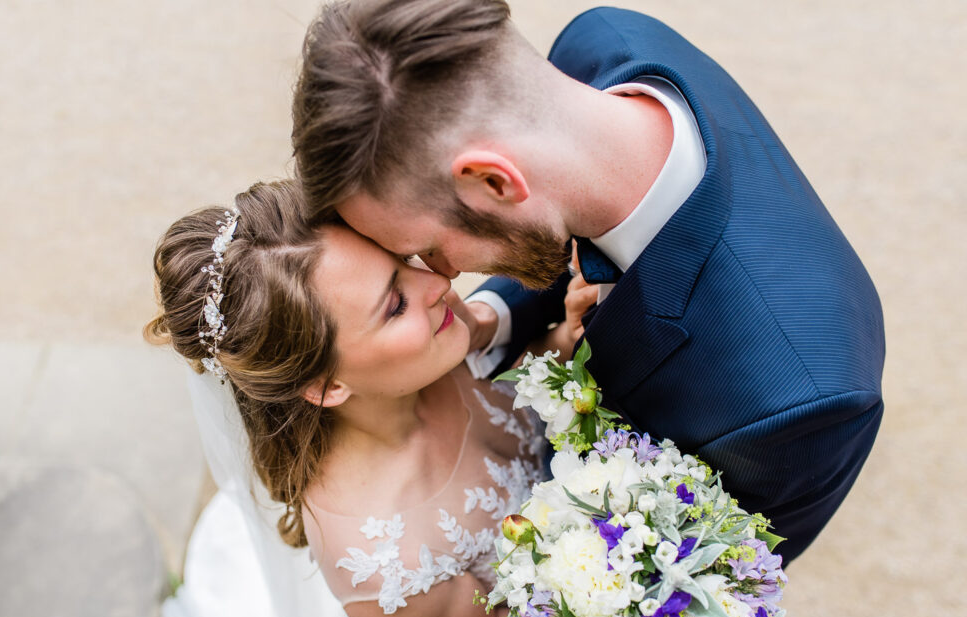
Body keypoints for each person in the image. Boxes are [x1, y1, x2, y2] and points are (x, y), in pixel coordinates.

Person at [290, 0, 886, 562]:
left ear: (494, 183)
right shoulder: (599, 41)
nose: (442, 278)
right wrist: (491, 322)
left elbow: (718, 590)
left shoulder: (800, 401)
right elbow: (553, 209)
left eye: (427, 249)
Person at [145, 179, 596, 617]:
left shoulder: (431, 342)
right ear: (326, 385)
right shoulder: (385, 565)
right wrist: (613, 576)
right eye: (394, 305)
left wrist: (563, 341)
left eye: (403, 262)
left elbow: (514, 378)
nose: (438, 283)